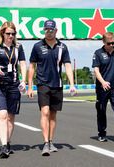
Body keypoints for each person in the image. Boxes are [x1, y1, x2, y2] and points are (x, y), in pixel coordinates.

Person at [27, 19, 76, 156]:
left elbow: (67, 65)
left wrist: (72, 84)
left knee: (53, 115)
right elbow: (31, 66)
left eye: (51, 30)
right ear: (44, 31)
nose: (48, 32)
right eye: (46, 30)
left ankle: (50, 140)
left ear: (56, 30)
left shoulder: (63, 47)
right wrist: (30, 86)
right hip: (42, 84)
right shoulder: (37, 46)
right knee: (45, 112)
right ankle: (45, 143)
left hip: (57, 85)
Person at [0, 21, 27, 158]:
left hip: (14, 85)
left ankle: (7, 143)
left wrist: (24, 80)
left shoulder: (19, 47)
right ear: (2, 33)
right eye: (8, 33)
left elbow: (23, 64)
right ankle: (3, 147)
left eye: (13, 34)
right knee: (2, 114)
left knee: (11, 117)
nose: (11, 36)